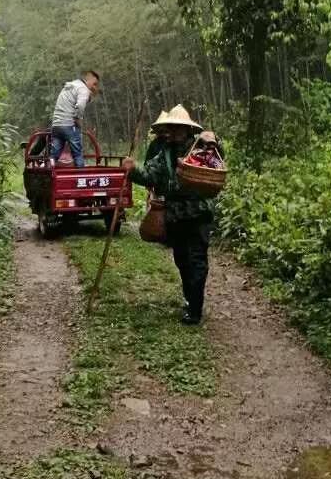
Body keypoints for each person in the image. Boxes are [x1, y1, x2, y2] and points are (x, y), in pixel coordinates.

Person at [123, 105, 223, 326]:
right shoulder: (165, 154)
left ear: (188, 130)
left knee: (197, 260)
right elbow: (150, 176)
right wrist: (132, 171)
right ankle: (190, 299)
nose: (176, 131)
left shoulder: (200, 147)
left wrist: (214, 139)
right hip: (175, 215)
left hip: (198, 213)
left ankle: (195, 309)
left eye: (180, 128)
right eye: (173, 127)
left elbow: (217, 160)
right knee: (182, 260)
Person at [49, 70, 100, 166]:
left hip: (56, 125)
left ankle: (49, 172)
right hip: (69, 125)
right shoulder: (83, 89)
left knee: (54, 155)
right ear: (89, 80)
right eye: (95, 84)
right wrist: (78, 119)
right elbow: (80, 105)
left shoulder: (70, 86)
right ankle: (80, 176)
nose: (94, 87)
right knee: (77, 155)